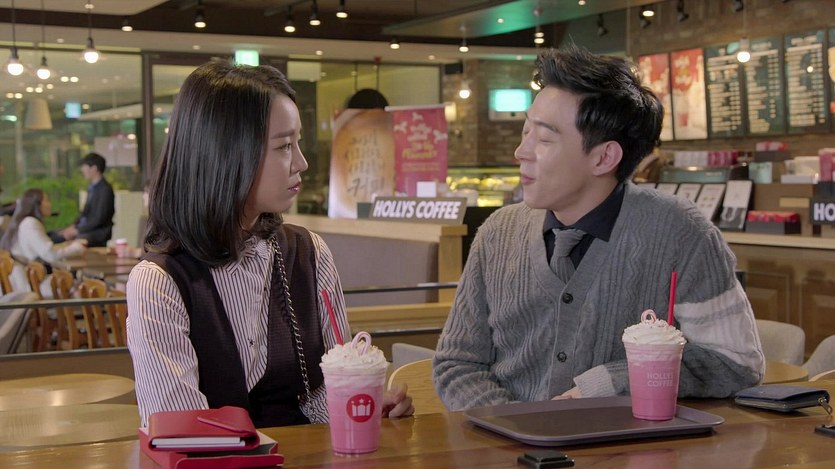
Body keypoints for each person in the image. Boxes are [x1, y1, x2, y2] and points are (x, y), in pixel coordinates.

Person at [432, 45, 764, 411]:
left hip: (631, 443)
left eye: (544, 139)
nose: (521, 152)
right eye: (525, 131)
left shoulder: (682, 234)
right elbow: (457, 364)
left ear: (604, 157)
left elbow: (735, 363)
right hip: (505, 439)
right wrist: (515, 423)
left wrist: (616, 381)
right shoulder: (498, 233)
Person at [126, 60, 413, 428]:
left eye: (298, 142)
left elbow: (321, 394)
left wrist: (363, 407)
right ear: (226, 153)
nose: (301, 162)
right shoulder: (159, 282)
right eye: (284, 146)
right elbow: (185, 431)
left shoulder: (309, 254)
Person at [0, 188, 87, 293]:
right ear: (36, 204)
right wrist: (77, 248)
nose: (50, 204)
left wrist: (65, 245)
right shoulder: (30, 223)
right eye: (46, 200)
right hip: (26, 286)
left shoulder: (23, 222)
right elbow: (50, 254)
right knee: (78, 288)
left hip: (22, 282)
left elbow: (44, 249)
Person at [53, 152, 115, 247]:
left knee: (60, 239)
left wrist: (77, 230)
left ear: (94, 168)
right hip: (85, 230)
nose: (82, 169)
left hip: (96, 233)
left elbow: (98, 219)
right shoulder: (92, 188)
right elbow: (85, 214)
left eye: (84, 166)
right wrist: (73, 226)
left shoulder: (105, 190)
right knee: (53, 234)